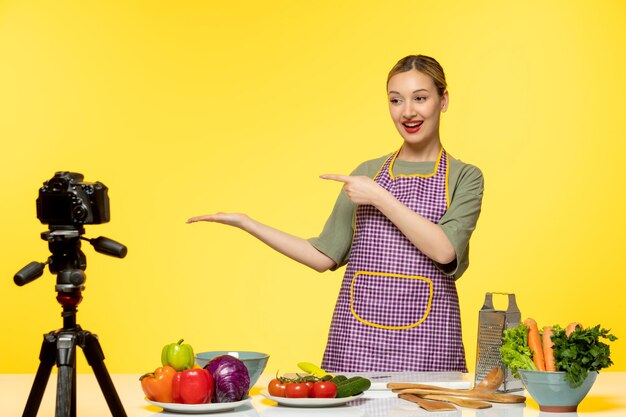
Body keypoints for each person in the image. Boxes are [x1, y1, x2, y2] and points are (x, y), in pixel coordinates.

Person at [187, 55, 483, 372]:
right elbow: (322, 256)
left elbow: (444, 250)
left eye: (420, 98)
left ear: (444, 100)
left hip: (429, 346)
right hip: (357, 345)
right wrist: (247, 223)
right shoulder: (367, 173)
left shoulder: (464, 177)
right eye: (396, 100)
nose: (407, 112)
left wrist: (380, 197)